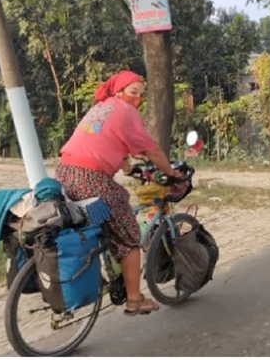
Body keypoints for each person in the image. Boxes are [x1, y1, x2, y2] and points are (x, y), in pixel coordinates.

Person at [56, 70, 183, 316]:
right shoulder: (126, 111)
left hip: (65, 175)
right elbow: (152, 150)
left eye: (141, 95)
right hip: (90, 178)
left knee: (102, 223)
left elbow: (104, 140)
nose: (137, 99)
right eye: (133, 92)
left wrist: (125, 167)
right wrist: (171, 172)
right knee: (130, 235)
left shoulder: (102, 108)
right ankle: (134, 299)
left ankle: (112, 271)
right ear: (119, 91)